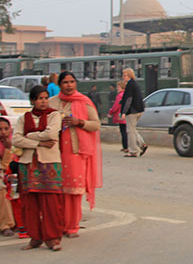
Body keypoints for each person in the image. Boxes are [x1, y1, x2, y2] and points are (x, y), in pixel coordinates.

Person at [49, 71, 102, 238]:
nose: (69, 85)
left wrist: (80, 122)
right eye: (65, 82)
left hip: (75, 152)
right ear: (59, 85)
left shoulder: (84, 102)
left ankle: (72, 225)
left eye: (72, 82)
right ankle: (57, 224)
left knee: (73, 190)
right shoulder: (52, 102)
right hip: (54, 151)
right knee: (56, 190)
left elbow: (96, 125)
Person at [13, 85, 65, 251]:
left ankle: (53, 238)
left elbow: (51, 134)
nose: (43, 101)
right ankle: (35, 237)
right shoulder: (24, 118)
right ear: (33, 101)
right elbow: (15, 140)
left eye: (45, 98)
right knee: (30, 203)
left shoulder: (54, 115)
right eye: (39, 98)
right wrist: (39, 143)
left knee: (51, 202)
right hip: (28, 164)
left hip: (49, 163)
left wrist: (29, 136)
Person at [0, 117, 25, 237]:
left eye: (6, 129)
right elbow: (0, 168)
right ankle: (12, 224)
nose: (3, 132)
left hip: (15, 176)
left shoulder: (17, 141)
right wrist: (8, 150)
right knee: (9, 189)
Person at [121, 68, 147, 157]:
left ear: (129, 75)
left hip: (132, 111)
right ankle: (142, 144)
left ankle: (133, 151)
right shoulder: (135, 84)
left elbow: (129, 99)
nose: (123, 77)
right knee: (133, 129)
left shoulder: (130, 85)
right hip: (139, 109)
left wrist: (124, 112)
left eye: (124, 75)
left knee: (130, 131)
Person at [108, 80, 128, 152]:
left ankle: (125, 147)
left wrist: (111, 112)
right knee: (125, 131)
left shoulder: (120, 95)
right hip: (126, 114)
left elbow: (116, 106)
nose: (117, 88)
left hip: (120, 114)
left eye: (118, 87)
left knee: (123, 131)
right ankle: (126, 146)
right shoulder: (126, 94)